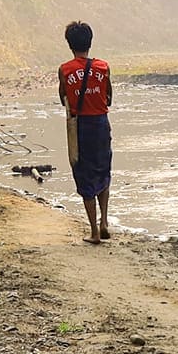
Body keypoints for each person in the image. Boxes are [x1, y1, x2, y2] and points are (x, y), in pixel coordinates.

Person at [58, 21, 113, 243]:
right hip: (101, 124)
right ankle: (105, 222)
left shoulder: (65, 70)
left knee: (84, 173)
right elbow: (109, 97)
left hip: (80, 127)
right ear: (90, 42)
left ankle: (93, 231)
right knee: (103, 170)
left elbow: (63, 98)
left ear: (70, 45)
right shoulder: (103, 67)